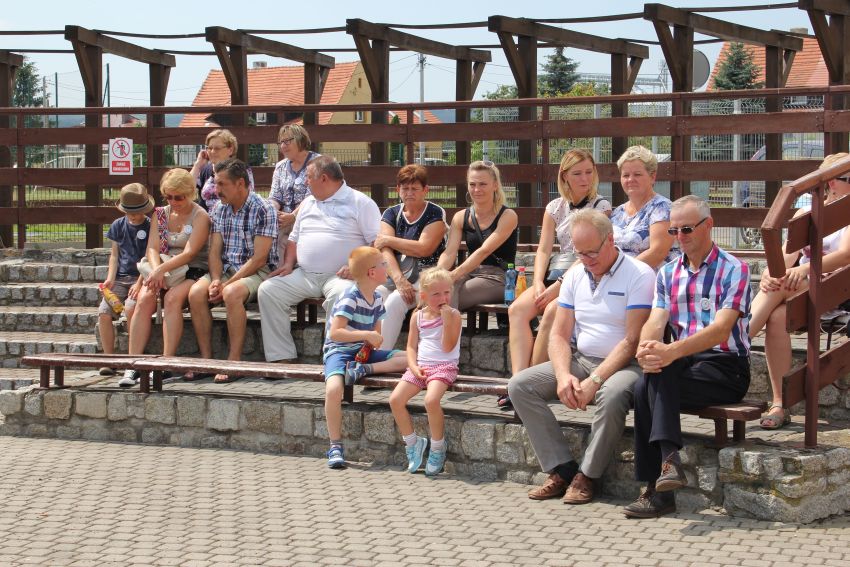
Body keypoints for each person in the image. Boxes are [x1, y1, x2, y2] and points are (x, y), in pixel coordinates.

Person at [507, 209, 655, 504]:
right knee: (520, 386)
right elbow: (559, 335)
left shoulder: (639, 274)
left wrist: (595, 380)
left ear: (610, 240)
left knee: (611, 395)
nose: (586, 259)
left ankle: (587, 475)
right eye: (580, 253)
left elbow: (631, 340)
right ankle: (562, 468)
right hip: (583, 358)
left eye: (592, 252)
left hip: (627, 365)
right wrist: (563, 376)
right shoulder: (575, 275)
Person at [625, 195, 751, 519]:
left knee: (647, 384)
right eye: (673, 231)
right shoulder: (668, 273)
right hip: (685, 363)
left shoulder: (734, 269)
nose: (679, 237)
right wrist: (647, 347)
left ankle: (657, 489)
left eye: (686, 229)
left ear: (708, 225)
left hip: (726, 368)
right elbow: (656, 320)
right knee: (648, 380)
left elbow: (721, 331)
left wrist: (669, 352)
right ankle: (668, 465)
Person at [749, 153, 850, 429]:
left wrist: (802, 270)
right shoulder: (805, 214)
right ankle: (779, 403)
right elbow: (786, 255)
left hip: (838, 290)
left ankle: (734, 341)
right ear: (831, 183)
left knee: (782, 285)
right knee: (777, 316)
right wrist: (770, 274)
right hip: (802, 287)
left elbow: (844, 256)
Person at [258, 156, 382, 363]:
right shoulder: (307, 203)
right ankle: (281, 357)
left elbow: (377, 242)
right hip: (304, 274)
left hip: (341, 277)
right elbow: (294, 239)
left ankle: (335, 359)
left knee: (344, 295)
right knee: (268, 291)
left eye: (308, 177)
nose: (305, 182)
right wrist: (288, 264)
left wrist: (357, 267)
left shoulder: (360, 202)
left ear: (323, 178)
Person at [507, 149, 611, 392]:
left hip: (584, 273)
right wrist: (537, 282)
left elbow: (588, 254)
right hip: (556, 273)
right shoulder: (555, 207)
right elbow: (543, 249)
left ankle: (530, 385)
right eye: (577, 173)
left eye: (589, 172)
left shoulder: (601, 206)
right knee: (517, 310)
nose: (585, 179)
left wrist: (557, 287)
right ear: (564, 176)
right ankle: (517, 381)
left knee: (552, 311)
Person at [186, 158, 278, 384]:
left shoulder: (264, 208)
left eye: (222, 184)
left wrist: (226, 284)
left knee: (231, 293)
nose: (216, 190)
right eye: (216, 183)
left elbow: (260, 258)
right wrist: (216, 279)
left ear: (240, 183)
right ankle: (206, 360)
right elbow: (215, 251)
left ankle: (234, 361)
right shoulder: (219, 208)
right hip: (227, 269)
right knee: (196, 293)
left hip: (258, 271)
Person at [121, 169, 210, 386]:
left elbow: (190, 253)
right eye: (168, 196)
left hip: (191, 269)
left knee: (171, 299)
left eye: (179, 197)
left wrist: (162, 270)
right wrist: (156, 270)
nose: (173, 202)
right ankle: (133, 364)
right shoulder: (160, 214)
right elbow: (152, 247)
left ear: (190, 193)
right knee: (144, 299)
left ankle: (166, 362)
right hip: (162, 267)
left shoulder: (200, 216)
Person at [323, 247, 408, 469]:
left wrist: (372, 341)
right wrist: (366, 335)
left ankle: (363, 370)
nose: (387, 267)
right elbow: (335, 333)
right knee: (333, 390)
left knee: (410, 358)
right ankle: (335, 446)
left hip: (362, 354)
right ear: (372, 272)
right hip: (339, 352)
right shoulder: (350, 297)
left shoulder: (378, 298)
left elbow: (375, 335)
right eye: (383, 264)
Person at [389, 267, 462, 476]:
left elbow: (447, 347)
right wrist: (413, 366)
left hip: (444, 366)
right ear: (424, 296)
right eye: (436, 294)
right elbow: (411, 347)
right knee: (395, 400)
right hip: (421, 366)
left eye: (447, 292)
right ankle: (413, 443)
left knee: (431, 400)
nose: (443, 298)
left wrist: (447, 321)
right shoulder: (417, 316)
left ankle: (438, 447)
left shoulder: (454, 315)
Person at [376, 164, 447, 350]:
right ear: (398, 189)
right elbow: (385, 251)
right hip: (395, 277)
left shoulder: (435, 213)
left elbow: (424, 249)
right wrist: (399, 279)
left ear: (425, 190)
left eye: (414, 188)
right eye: (405, 188)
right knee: (369, 296)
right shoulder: (391, 213)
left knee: (395, 301)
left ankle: (381, 355)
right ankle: (355, 351)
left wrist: (389, 240)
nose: (409, 193)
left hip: (426, 278)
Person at [438, 160, 518, 310]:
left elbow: (484, 251)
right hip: (470, 273)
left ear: (495, 185)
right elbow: (449, 252)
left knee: (444, 297)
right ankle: (431, 324)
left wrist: (453, 275)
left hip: (500, 277)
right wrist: (437, 274)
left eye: (483, 184)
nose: (476, 189)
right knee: (435, 292)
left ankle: (443, 325)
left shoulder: (508, 215)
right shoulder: (460, 216)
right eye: (472, 184)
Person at [98, 183, 152, 378]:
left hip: (141, 277)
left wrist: (139, 282)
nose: (133, 216)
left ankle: (132, 357)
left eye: (137, 212)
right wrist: (110, 279)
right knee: (104, 312)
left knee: (131, 308)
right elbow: (114, 255)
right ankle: (109, 359)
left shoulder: (150, 225)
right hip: (120, 278)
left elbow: (149, 257)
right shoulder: (117, 225)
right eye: (129, 212)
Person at [611, 145, 676, 270]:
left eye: (637, 174)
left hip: (650, 277)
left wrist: (620, 273)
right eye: (625, 175)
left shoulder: (662, 208)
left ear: (652, 177)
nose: (630, 179)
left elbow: (657, 253)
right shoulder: (617, 212)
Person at [268, 124, 320, 267]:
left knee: (287, 238)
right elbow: (274, 196)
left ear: (300, 139)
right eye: (281, 142)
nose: (283, 146)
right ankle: (275, 270)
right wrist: (273, 212)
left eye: (287, 141)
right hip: (283, 219)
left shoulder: (318, 163)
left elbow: (313, 197)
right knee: (267, 231)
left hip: (309, 217)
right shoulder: (280, 166)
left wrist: (293, 216)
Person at [189, 129, 254, 212]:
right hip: (205, 217)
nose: (212, 151)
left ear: (230, 150)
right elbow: (185, 188)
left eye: (217, 148)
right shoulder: (205, 170)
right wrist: (197, 165)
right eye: (209, 148)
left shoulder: (241, 170)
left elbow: (248, 199)